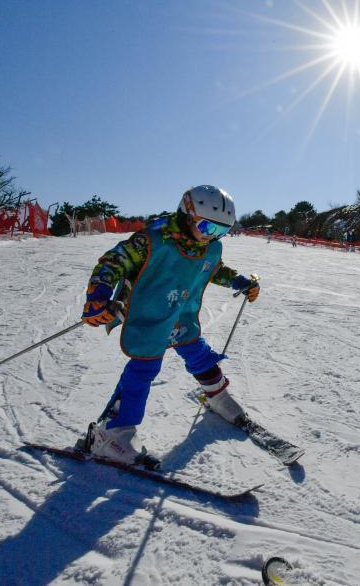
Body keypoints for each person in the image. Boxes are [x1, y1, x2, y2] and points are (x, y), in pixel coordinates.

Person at [79, 185, 261, 469]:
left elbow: (213, 268)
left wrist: (238, 281)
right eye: (206, 226)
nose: (210, 236)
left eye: (221, 231)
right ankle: (112, 432)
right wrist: (98, 297)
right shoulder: (153, 239)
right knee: (145, 366)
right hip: (149, 313)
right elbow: (112, 262)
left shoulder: (208, 246)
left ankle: (217, 395)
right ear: (187, 214)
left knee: (197, 350)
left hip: (178, 311)